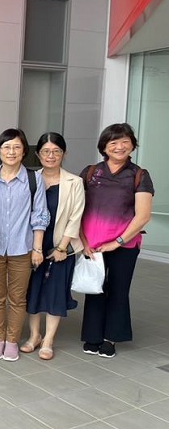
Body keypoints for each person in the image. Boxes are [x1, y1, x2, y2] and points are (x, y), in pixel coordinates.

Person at [79, 123, 153, 358]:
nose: (119, 147)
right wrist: (83, 241)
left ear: (132, 144)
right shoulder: (91, 172)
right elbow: (77, 210)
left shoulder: (139, 175)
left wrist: (118, 241)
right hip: (93, 245)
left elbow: (142, 216)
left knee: (118, 290)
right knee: (95, 288)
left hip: (125, 245)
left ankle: (110, 338)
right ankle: (92, 336)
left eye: (124, 142)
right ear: (104, 146)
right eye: (113, 142)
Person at [0, 128, 49, 362]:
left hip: (23, 248)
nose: (11, 151)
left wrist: (38, 249)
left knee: (18, 298)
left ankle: (12, 340)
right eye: (6, 147)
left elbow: (40, 215)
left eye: (17, 147)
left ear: (24, 151)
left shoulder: (34, 179)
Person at [21, 132, 84, 360]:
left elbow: (75, 217)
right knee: (34, 291)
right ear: (38, 154)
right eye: (46, 151)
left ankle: (48, 340)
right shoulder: (29, 178)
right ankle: (34, 335)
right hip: (33, 245)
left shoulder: (74, 182)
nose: (51, 156)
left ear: (64, 154)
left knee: (56, 292)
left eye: (56, 151)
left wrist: (62, 248)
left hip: (60, 246)